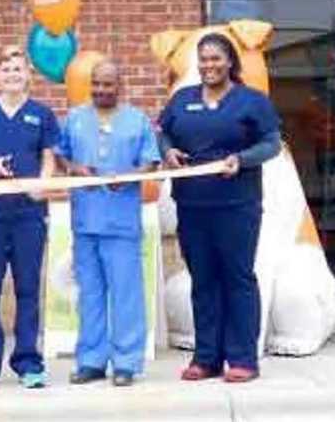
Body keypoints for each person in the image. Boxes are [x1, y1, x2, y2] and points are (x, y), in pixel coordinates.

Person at [158, 32, 282, 384]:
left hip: (237, 206)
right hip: (192, 205)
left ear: (230, 62)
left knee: (237, 278)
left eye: (215, 58)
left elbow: (271, 144)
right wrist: (168, 151)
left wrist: (241, 159)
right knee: (204, 280)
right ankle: (207, 358)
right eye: (203, 59)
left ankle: (243, 358)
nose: (208, 65)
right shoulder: (182, 100)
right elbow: (162, 133)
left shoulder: (251, 101)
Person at [54, 58, 160, 387]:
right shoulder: (74, 118)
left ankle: (127, 362)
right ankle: (91, 360)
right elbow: (60, 155)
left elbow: (151, 162)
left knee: (126, 294)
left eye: (108, 84)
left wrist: (130, 177)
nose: (101, 90)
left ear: (119, 86)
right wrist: (73, 168)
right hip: (85, 222)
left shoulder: (136, 120)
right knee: (90, 295)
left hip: (122, 223)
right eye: (96, 84)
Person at [0, 46, 60, 391]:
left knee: (28, 289)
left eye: (18, 69)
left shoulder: (42, 114)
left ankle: (29, 362)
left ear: (28, 75)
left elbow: (49, 156)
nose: (12, 74)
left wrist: (43, 183)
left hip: (28, 215)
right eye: (5, 70)